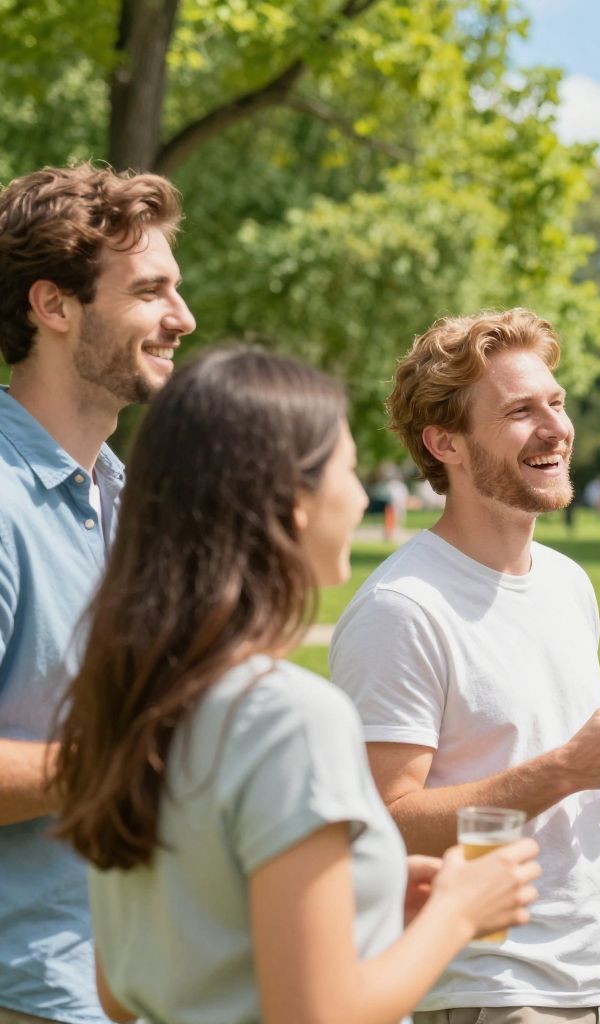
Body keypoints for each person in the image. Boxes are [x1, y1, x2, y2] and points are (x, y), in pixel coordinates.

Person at [48, 348, 540, 1024]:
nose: (364, 495)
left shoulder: (132, 697)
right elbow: (316, 1013)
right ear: (293, 503)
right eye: (345, 468)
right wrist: (460, 911)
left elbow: (121, 984)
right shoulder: (288, 715)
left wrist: (367, 898)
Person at [329, 308, 600, 1023]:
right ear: (446, 444)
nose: (556, 427)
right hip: (489, 993)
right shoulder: (404, 608)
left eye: (555, 402)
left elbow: (560, 800)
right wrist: (567, 768)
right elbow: (380, 824)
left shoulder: (566, 582)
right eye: (521, 411)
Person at [0, 164, 194, 1024]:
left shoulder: (120, 493)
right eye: (150, 291)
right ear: (54, 306)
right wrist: (134, 759)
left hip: (134, 982)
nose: (182, 319)